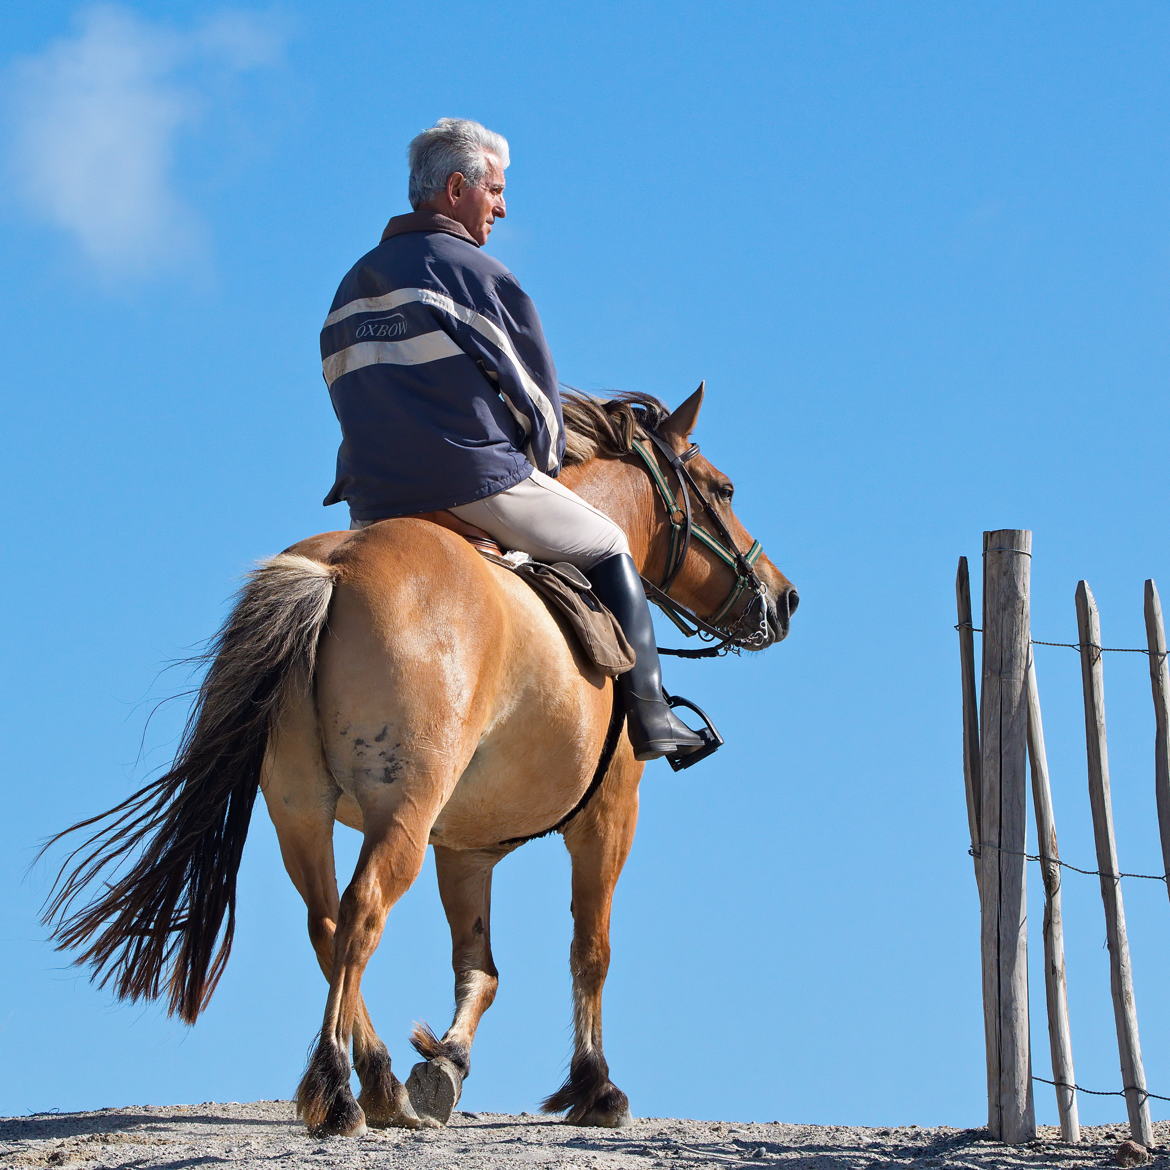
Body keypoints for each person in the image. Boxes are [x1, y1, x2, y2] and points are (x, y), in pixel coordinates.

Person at [320, 117, 702, 761]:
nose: (502, 205)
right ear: (456, 188)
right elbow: (536, 401)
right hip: (474, 481)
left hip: (373, 501)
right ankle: (653, 716)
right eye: (494, 189)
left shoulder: (348, 286)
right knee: (609, 541)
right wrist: (542, 470)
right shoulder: (475, 273)